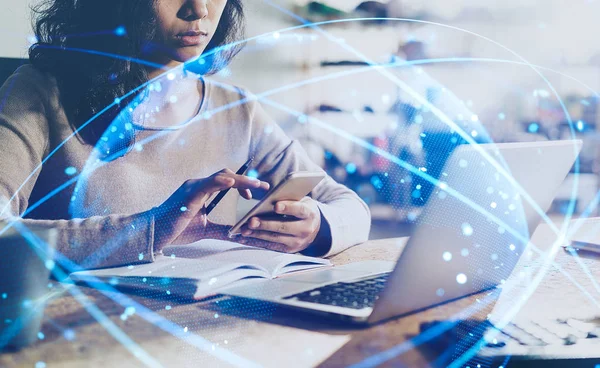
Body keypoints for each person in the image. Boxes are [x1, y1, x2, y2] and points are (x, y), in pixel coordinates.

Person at [0, 0, 370, 269]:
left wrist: (317, 226)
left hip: (207, 328)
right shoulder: (40, 91)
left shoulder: (236, 106)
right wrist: (150, 229)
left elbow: (350, 207)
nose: (200, 10)